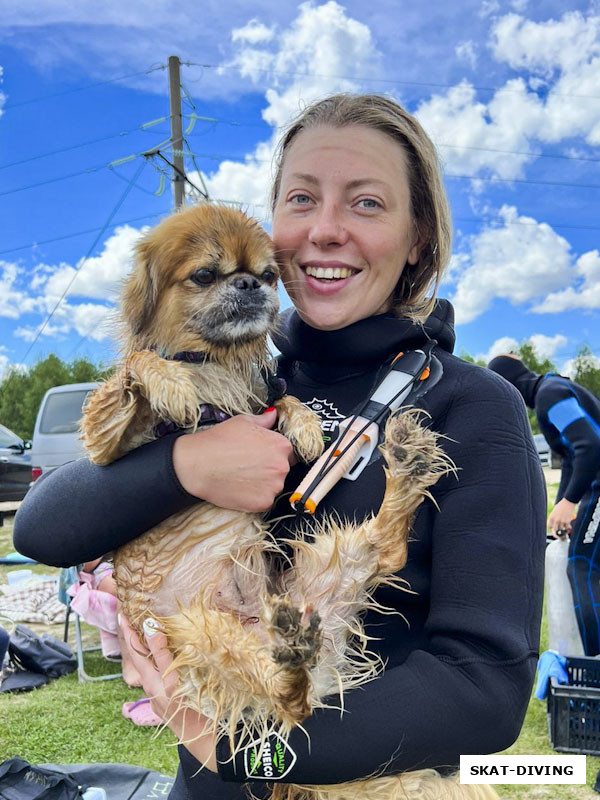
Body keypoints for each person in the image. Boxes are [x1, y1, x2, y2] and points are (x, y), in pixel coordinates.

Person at [14, 94, 546, 798]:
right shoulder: (234, 376)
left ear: (419, 237)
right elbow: (42, 526)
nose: (326, 230)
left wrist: (248, 755)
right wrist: (185, 465)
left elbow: (487, 688)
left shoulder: (474, 407)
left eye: (366, 204)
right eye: (302, 199)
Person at [488, 353, 600, 656]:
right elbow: (570, 460)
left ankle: (593, 664)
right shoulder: (551, 391)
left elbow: (590, 444)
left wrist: (571, 500)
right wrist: (562, 507)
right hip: (593, 488)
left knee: (582, 567)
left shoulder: (550, 395)